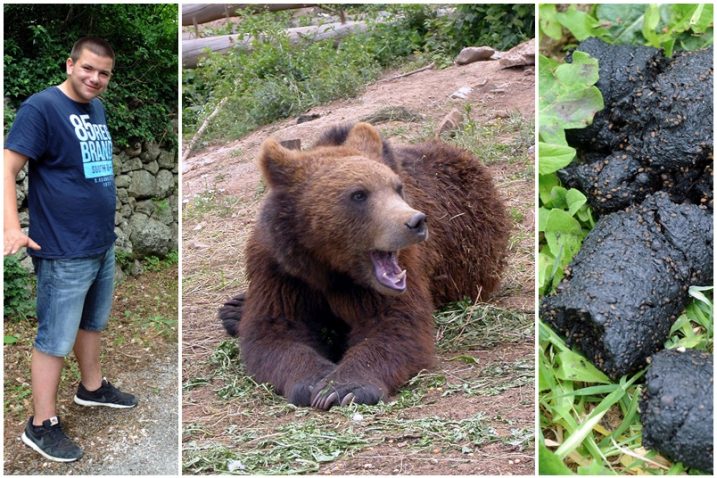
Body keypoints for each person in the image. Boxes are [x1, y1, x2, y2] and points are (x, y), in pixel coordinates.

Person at [4, 36, 137, 463]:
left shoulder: (94, 107)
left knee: (92, 323)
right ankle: (40, 424)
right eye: (88, 69)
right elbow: (6, 166)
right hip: (62, 248)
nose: (95, 78)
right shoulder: (41, 108)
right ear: (70, 64)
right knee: (54, 338)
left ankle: (92, 389)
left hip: (99, 242)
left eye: (104, 73)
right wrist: (12, 227)